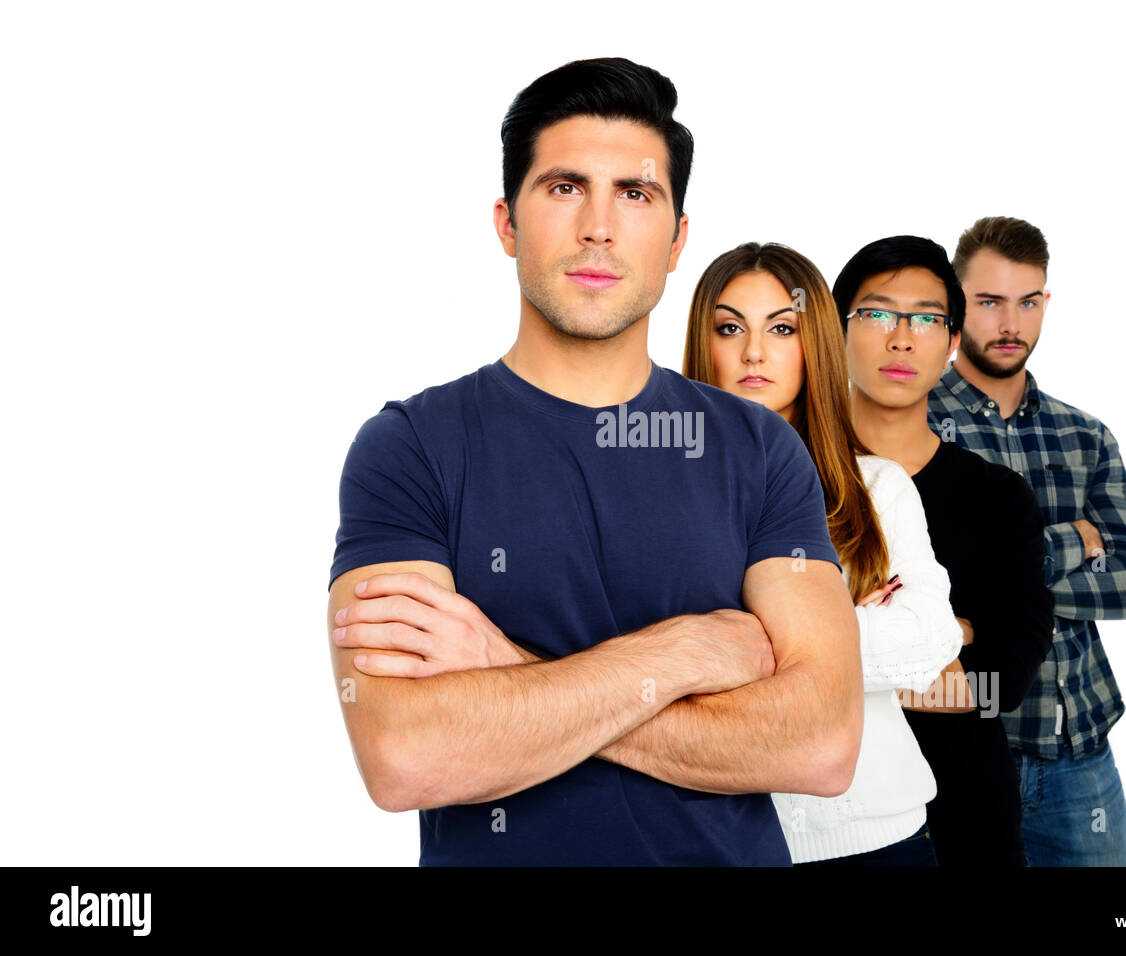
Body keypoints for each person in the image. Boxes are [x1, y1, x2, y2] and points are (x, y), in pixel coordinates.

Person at [325, 57, 864, 866]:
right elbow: (407, 756)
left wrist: (504, 670)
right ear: (508, 223)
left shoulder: (757, 449)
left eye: (636, 193)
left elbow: (822, 744)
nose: (599, 228)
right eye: (566, 187)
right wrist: (684, 653)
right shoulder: (410, 447)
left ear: (678, 238)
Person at [681, 241, 965, 866]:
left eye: (782, 328)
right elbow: (643, 656)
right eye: (730, 328)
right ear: (704, 345)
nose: (754, 351)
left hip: (879, 836)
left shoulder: (879, 487)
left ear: (815, 345)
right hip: (719, 832)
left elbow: (928, 644)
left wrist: (734, 639)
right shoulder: (659, 493)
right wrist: (841, 621)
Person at [928, 216, 1126, 866]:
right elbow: (929, 588)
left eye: (1028, 302)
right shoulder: (915, 428)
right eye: (990, 301)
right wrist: (1073, 542)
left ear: (1045, 303)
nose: (1011, 323)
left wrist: (1004, 575)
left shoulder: (1085, 436)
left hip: (1081, 756)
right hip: (964, 748)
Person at [831, 235, 1056, 866]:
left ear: (952, 341)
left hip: (968, 820)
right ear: (834, 328)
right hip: (828, 825)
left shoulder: (998, 497)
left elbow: (1003, 681)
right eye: (877, 314)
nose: (902, 339)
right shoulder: (790, 480)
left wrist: (836, 652)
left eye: (928, 319)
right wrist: (943, 633)